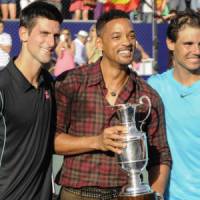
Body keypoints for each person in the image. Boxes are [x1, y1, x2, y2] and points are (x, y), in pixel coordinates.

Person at [55, 9, 171, 200]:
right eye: (116, 36)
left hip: (125, 195)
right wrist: (97, 141)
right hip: (75, 194)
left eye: (131, 36)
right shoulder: (71, 82)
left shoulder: (147, 96)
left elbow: (161, 154)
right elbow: (51, 139)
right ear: (100, 43)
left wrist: (155, 194)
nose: (127, 42)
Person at [0, 1, 63, 200]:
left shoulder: (50, 85)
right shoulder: (1, 86)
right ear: (23, 34)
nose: (51, 43)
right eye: (44, 34)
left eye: (55, 36)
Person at [148, 10, 200, 200]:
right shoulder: (154, 87)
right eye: (188, 44)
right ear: (170, 43)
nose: (197, 51)